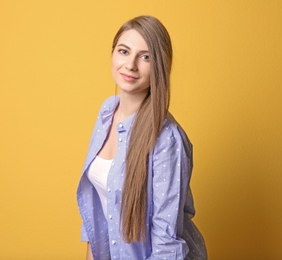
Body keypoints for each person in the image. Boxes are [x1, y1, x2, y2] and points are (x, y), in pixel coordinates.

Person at [77, 15, 208, 259]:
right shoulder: (107, 111)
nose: (131, 65)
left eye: (145, 56)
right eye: (124, 51)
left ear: (159, 66)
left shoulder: (166, 140)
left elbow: (166, 246)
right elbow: (97, 212)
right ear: (113, 53)